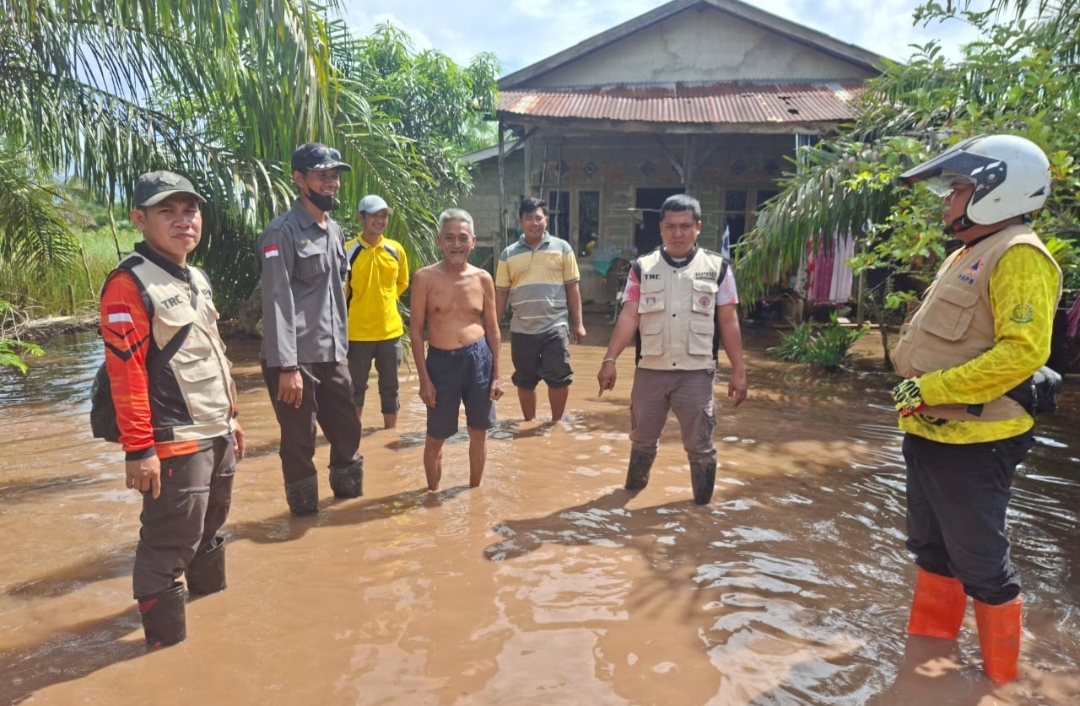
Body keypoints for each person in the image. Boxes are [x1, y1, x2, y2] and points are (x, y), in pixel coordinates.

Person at [892, 134, 1062, 684]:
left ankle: (1001, 684)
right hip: (932, 431)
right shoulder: (971, 251)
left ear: (997, 190)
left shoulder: (1019, 254)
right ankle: (925, 669)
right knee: (932, 550)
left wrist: (929, 388)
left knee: (981, 564)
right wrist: (920, 396)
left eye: (959, 188)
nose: (947, 200)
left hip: (977, 439)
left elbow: (1022, 351)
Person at [99, 171, 245, 647]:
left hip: (216, 427)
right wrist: (139, 448)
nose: (184, 221)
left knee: (210, 525)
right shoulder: (128, 283)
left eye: (191, 210)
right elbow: (126, 373)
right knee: (169, 543)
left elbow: (212, 351)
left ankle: (213, 631)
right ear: (139, 219)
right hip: (174, 436)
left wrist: (233, 417)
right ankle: (167, 656)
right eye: (168, 211)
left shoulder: (196, 277)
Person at [596, 194, 747, 505]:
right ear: (660, 229)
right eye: (671, 227)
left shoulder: (718, 269)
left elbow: (729, 321)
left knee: (700, 445)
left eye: (685, 226)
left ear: (698, 228)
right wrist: (609, 359)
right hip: (650, 372)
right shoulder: (642, 268)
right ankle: (628, 500)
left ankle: (702, 512)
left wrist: (739, 371)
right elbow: (629, 315)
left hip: (696, 374)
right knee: (641, 440)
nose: (678, 233)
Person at [258, 143, 364, 516]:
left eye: (334, 176)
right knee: (299, 442)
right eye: (323, 176)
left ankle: (349, 511)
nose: (331, 183)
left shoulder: (334, 230)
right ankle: (303, 520)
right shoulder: (280, 233)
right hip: (295, 359)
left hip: (331, 353)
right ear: (299, 179)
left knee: (348, 429)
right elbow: (277, 300)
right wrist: (287, 367)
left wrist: (344, 349)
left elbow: (336, 293)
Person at [409, 209, 503, 491]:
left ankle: (474, 493)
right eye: (449, 238)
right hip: (441, 363)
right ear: (440, 241)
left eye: (463, 238)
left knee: (478, 432)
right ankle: (433, 496)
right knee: (436, 435)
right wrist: (424, 380)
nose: (456, 244)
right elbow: (415, 331)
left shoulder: (483, 278)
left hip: (478, 360)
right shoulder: (425, 278)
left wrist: (497, 374)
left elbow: (494, 329)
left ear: (473, 241)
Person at [495, 197, 586, 422]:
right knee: (525, 379)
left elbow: (572, 287)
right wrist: (494, 327)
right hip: (521, 327)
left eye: (538, 218)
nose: (534, 223)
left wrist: (579, 324)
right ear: (520, 222)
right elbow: (501, 293)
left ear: (546, 219)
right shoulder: (508, 254)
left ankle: (555, 424)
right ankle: (529, 423)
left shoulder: (562, 248)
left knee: (559, 376)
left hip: (555, 325)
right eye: (529, 219)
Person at [345, 194, 409, 430]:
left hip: (390, 332)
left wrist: (385, 300)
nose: (380, 221)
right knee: (355, 388)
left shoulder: (396, 250)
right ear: (361, 217)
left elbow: (402, 282)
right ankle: (352, 435)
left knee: (390, 388)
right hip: (357, 333)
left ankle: (389, 434)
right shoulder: (348, 251)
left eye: (383, 217)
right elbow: (341, 291)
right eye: (374, 216)